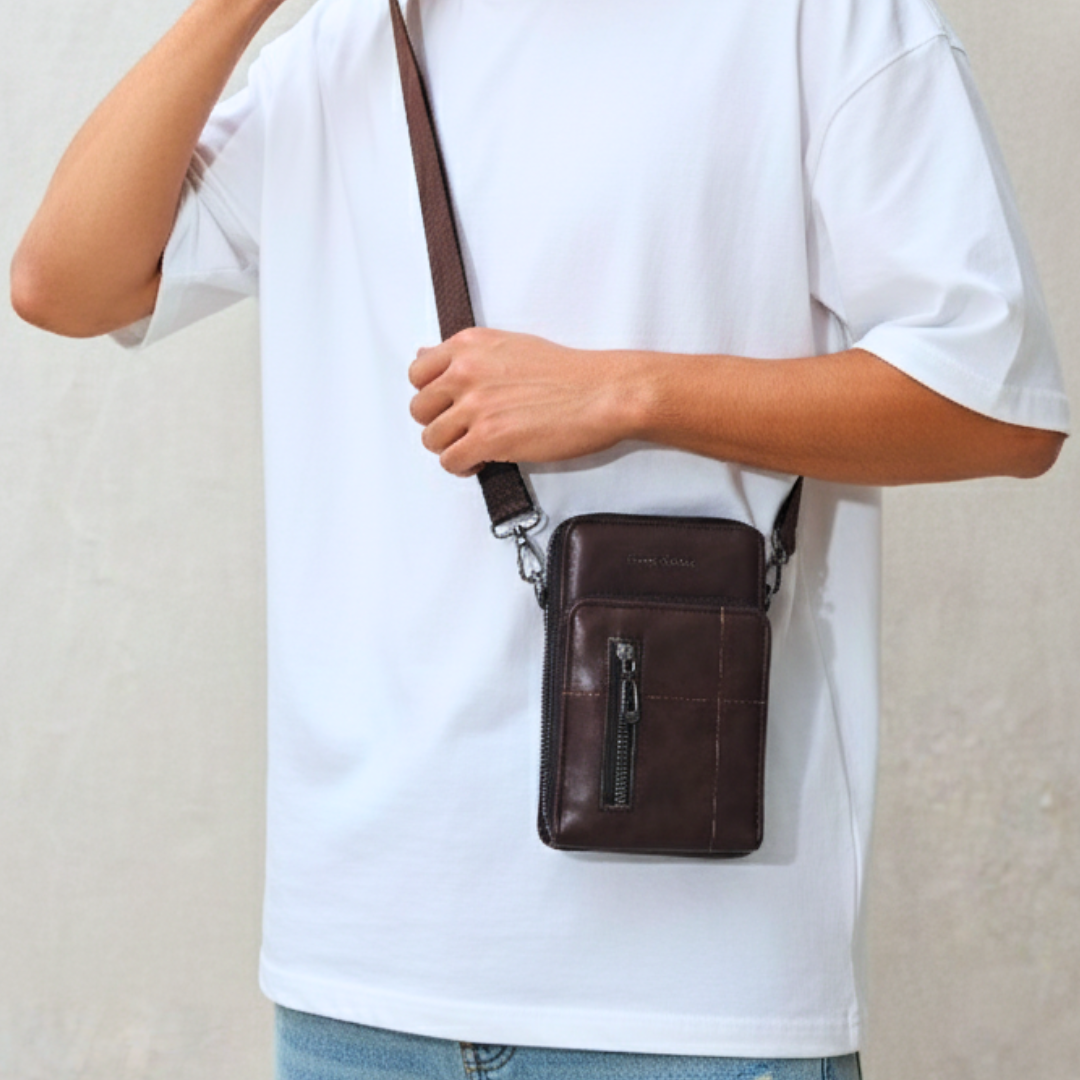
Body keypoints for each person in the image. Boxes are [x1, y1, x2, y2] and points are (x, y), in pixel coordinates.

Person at [11, 0, 1070, 1076]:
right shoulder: (346, 48)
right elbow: (65, 283)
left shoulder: (820, 21)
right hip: (357, 981)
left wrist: (629, 391)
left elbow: (999, 406)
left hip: (689, 1000)